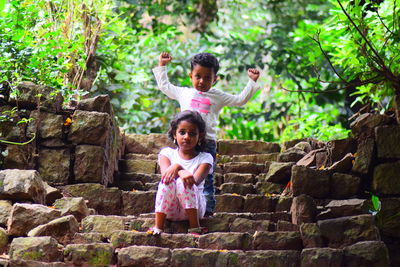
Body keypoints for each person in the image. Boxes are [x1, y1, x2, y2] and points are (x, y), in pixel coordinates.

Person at [152, 52, 260, 217]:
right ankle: (178, 203)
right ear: (191, 76)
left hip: (207, 142)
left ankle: (207, 210)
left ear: (214, 79)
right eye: (198, 76)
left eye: (207, 78)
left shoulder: (217, 96)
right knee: (182, 171)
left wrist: (251, 82)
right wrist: (162, 65)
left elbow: (239, 100)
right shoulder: (184, 93)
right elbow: (165, 86)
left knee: (207, 178)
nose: (202, 81)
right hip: (185, 142)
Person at [147, 110, 213, 235]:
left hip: (195, 210)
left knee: (185, 183)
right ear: (174, 134)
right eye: (182, 132)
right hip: (170, 209)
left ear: (200, 136)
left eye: (192, 134)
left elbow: (195, 181)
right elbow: (166, 177)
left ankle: (195, 227)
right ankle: (158, 226)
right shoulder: (166, 153)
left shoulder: (205, 158)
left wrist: (178, 168)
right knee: (168, 182)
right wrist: (177, 167)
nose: (187, 137)